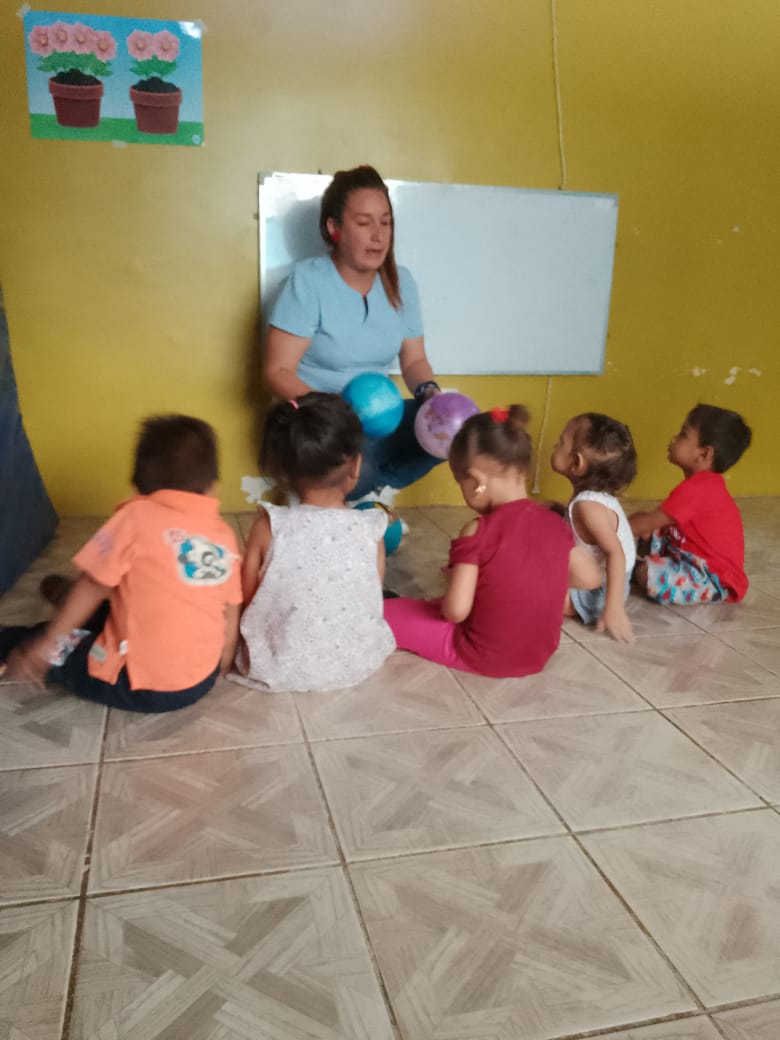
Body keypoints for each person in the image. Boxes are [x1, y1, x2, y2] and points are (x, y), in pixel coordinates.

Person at [0, 415, 242, 712]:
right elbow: (231, 607)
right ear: (212, 484)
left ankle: (12, 642)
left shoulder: (135, 518)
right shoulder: (224, 535)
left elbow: (92, 585)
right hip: (201, 679)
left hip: (138, 684)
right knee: (115, 605)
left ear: (140, 486)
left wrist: (47, 643)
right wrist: (224, 658)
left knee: (55, 643)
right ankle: (67, 601)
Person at [263, 164, 443, 501]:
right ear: (334, 228)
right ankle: (340, 493)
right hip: (319, 423)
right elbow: (277, 372)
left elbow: (414, 361)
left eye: (385, 222)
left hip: (375, 420)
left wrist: (431, 394)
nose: (378, 235)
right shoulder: (308, 281)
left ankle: (370, 491)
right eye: (364, 223)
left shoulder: (402, 281)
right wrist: (337, 412)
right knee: (358, 459)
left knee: (451, 429)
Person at [383, 406, 603, 678]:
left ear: (476, 481)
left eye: (460, 482)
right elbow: (591, 578)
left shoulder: (478, 530)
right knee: (434, 605)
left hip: (480, 655)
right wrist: (536, 580)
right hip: (538, 656)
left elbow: (455, 612)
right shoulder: (554, 523)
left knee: (383, 613)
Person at [231, 393, 395, 692]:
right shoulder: (371, 528)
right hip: (356, 661)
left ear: (284, 471)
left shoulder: (269, 526)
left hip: (278, 666)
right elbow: (371, 595)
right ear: (355, 465)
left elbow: (248, 598)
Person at [629, 404, 752, 604]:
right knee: (649, 526)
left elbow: (648, 522)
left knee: (646, 572)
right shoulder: (700, 485)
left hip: (712, 578)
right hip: (689, 558)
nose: (674, 439)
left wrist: (603, 531)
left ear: (703, 454)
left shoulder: (700, 489)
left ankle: (633, 570)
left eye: (683, 434)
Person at [550, 412, 637, 641]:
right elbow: (583, 533)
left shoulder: (589, 507)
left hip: (599, 591)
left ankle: (574, 606)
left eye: (561, 442)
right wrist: (559, 511)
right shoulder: (590, 498)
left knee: (538, 591)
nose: (555, 445)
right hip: (598, 578)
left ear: (576, 463)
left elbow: (615, 553)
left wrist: (613, 607)